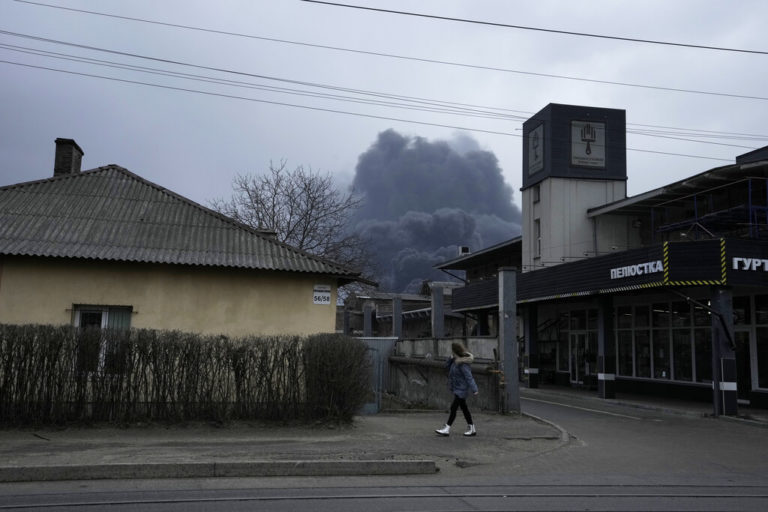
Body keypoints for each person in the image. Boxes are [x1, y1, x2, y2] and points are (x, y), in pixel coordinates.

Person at [435, 342, 478, 437]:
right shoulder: (455, 360)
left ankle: (446, 428)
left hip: (462, 389)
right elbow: (446, 366)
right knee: (464, 408)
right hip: (457, 388)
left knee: (453, 408)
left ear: (455, 351)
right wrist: (450, 358)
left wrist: (474, 389)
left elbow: (469, 377)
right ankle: (472, 428)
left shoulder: (463, 364)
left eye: (452, 351)